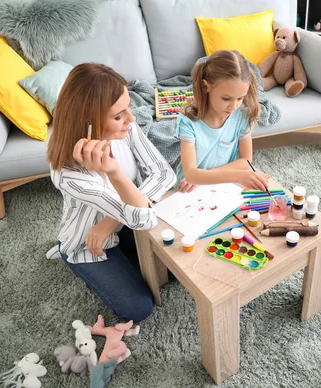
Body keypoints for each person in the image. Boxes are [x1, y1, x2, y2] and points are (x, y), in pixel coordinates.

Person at [46, 63, 176, 322]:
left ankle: (127, 251)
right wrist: (115, 172)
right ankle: (65, 252)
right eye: (118, 115)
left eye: (128, 107)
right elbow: (144, 218)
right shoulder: (68, 173)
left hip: (119, 226)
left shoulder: (125, 127)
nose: (131, 118)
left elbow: (164, 174)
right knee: (138, 308)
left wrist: (110, 220)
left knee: (176, 269)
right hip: (89, 243)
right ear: (88, 122)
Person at [176, 50, 269, 193]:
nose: (234, 106)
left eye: (240, 98)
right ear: (206, 87)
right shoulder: (188, 121)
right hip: (188, 190)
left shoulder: (241, 115)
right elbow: (191, 174)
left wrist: (209, 176)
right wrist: (238, 175)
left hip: (220, 186)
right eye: (226, 99)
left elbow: (246, 160)